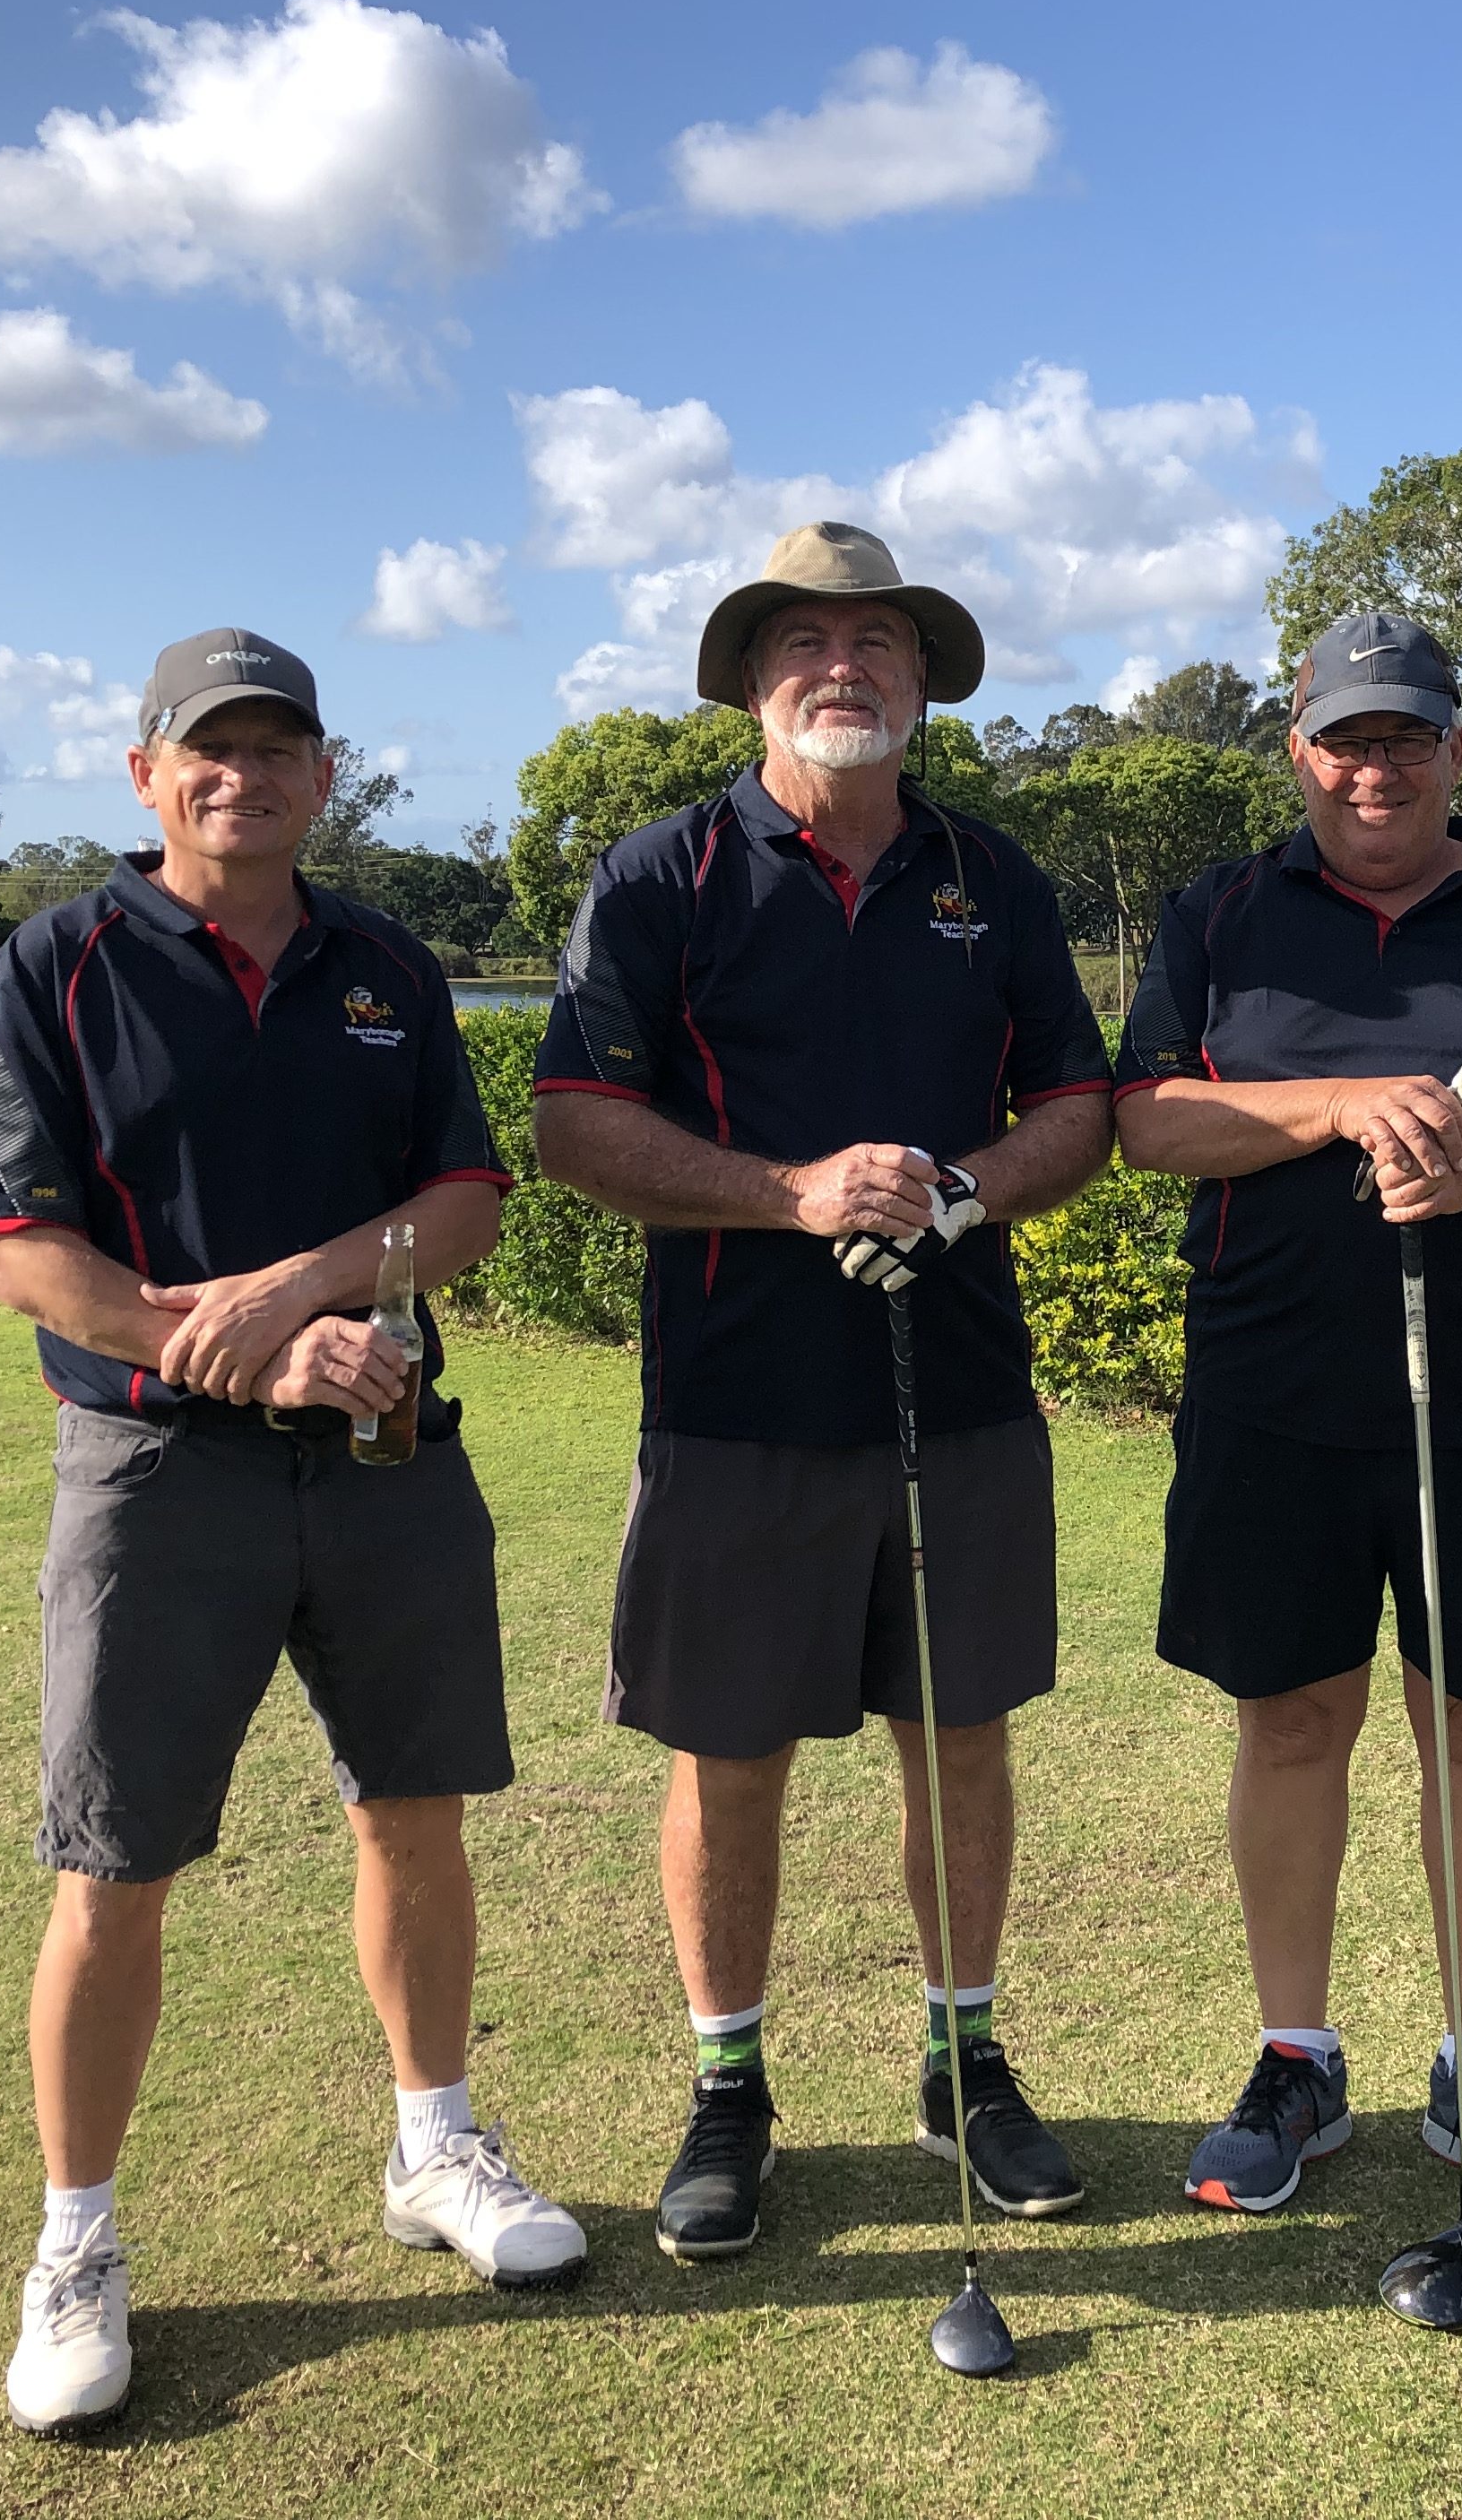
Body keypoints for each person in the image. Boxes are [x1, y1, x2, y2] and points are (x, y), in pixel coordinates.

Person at [0, 628, 581, 2437]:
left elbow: (463, 1199)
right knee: (115, 1862)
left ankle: (435, 2147)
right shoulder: (59, 963)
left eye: (277, 747)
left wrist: (302, 1297)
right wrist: (220, 1347)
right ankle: (76, 2246)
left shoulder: (386, 966)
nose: (244, 776)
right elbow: (17, 1250)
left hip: (385, 1455)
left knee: (415, 1815)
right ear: (146, 774)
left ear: (324, 773)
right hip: (157, 1474)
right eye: (206, 749)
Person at [532, 523, 1116, 2263]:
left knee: (963, 1740)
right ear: (751, 682)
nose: (842, 666)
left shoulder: (992, 878)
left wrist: (962, 1194)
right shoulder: (662, 874)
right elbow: (576, 1124)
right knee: (730, 1757)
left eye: (878, 640)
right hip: (736, 1399)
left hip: (964, 1387)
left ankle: (966, 2061)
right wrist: (793, 1194)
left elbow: (1077, 1109)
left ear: (924, 677)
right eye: (804, 640)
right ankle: (729, 2089)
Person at [1113, 610, 1462, 2226]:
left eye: (1407, 738)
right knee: (1292, 1723)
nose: (1377, 770)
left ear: (1455, 747)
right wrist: (1339, 1107)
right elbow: (1145, 1117)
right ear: (1299, 751)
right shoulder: (1221, 914)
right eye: (1347, 741)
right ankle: (1295, 2055)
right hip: (1269, 1395)